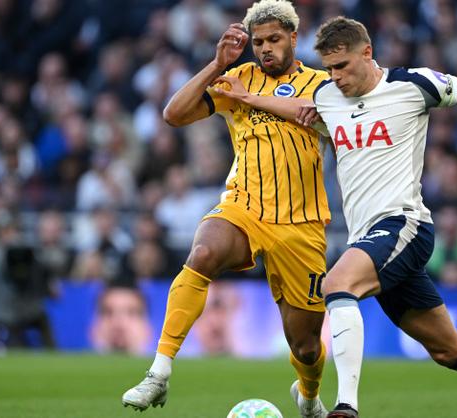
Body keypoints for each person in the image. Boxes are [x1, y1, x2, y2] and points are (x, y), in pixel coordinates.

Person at [215, 16, 457, 418]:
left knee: (337, 284)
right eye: (329, 68)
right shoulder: (327, 98)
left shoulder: (413, 86)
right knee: (449, 349)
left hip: (404, 224)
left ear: (367, 52)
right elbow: (297, 107)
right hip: (370, 242)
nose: (335, 77)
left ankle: (345, 407)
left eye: (342, 66)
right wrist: (249, 98)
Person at [121, 2, 331, 417]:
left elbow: (318, 117)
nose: (265, 48)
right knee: (203, 253)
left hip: (300, 223)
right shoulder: (236, 77)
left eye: (274, 39)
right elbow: (174, 114)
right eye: (258, 42)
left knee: (304, 345)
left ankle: (308, 398)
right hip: (243, 206)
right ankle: (158, 374)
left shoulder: (321, 84)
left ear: (293, 36)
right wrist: (216, 65)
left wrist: (249, 98)